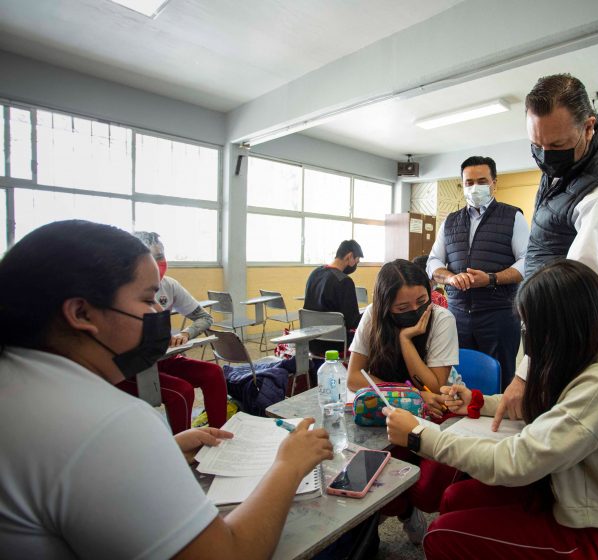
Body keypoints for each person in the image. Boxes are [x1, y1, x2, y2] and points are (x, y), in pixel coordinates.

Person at [0, 220, 333, 559]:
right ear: (81, 312)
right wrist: (288, 467)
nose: (161, 312)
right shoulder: (107, 423)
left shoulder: (20, 384)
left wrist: (163, 451)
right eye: (148, 300)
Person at [384, 259, 598, 559]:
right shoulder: (592, 348)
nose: (528, 337)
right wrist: (476, 402)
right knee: (455, 497)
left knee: (442, 536)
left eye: (530, 326)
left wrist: (418, 436)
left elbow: (516, 462)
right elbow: (546, 406)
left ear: (560, 326)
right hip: (575, 491)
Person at [496, 73, 598, 426]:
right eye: (538, 145)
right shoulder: (563, 157)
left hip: (575, 337)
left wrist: (525, 373)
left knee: (565, 433)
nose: (547, 156)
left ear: (589, 127)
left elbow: (578, 298)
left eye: (557, 146)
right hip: (544, 332)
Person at [347, 259, 461, 544]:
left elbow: (434, 386)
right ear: (386, 306)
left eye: (421, 301)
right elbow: (354, 378)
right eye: (402, 309)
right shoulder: (373, 315)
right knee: (373, 478)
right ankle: (405, 512)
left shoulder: (442, 319)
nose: (414, 311)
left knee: (425, 489)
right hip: (394, 408)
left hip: (437, 410)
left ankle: (409, 509)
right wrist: (413, 393)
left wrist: (406, 340)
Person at [427, 156, 528, 390]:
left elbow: (528, 260)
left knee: (500, 379)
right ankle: (460, 424)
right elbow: (433, 261)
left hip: (499, 315)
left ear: (494, 182)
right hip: (458, 315)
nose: (475, 187)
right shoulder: (450, 222)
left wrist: (492, 279)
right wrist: (451, 278)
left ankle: (497, 424)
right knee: (458, 379)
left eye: (481, 181)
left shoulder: (513, 217)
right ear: (462, 185)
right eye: (469, 182)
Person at [115, 231, 227, 432]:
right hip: (134, 367)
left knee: (214, 373)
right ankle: (182, 448)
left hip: (164, 357)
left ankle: (218, 434)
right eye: (150, 258)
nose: (157, 263)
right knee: (181, 391)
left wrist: (185, 333)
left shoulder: (170, 285)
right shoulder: (120, 290)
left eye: (160, 257)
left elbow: (204, 317)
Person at [304, 239, 363, 357]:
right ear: (349, 256)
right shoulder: (344, 281)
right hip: (335, 343)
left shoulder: (314, 273)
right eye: (356, 261)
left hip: (310, 340)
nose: (355, 265)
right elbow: (353, 322)